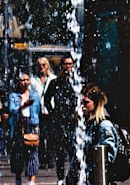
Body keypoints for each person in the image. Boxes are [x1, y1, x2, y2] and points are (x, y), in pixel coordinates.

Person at [45, 55, 80, 185]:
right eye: (65, 64)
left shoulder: (76, 82)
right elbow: (47, 99)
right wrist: (53, 113)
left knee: (73, 150)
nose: (68, 67)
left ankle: (72, 176)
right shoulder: (55, 82)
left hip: (72, 120)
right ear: (62, 66)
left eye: (70, 64)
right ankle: (60, 177)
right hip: (59, 120)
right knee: (59, 151)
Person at [5, 71, 41, 185]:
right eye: (22, 80)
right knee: (17, 152)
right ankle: (18, 177)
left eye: (26, 79)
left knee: (33, 150)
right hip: (18, 124)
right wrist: (22, 106)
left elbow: (38, 110)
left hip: (31, 123)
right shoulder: (14, 96)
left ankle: (32, 180)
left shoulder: (34, 95)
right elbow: (11, 110)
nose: (24, 82)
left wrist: (37, 125)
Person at [80, 85, 119, 185]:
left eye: (86, 102)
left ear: (96, 103)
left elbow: (107, 160)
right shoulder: (90, 124)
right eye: (81, 102)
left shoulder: (104, 125)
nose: (82, 106)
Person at [30, 56, 55, 168]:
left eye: (44, 65)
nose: (41, 67)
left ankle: (50, 158)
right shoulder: (32, 80)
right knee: (39, 135)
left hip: (50, 110)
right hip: (37, 111)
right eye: (39, 65)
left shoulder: (53, 79)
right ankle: (41, 158)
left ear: (47, 66)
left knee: (50, 136)